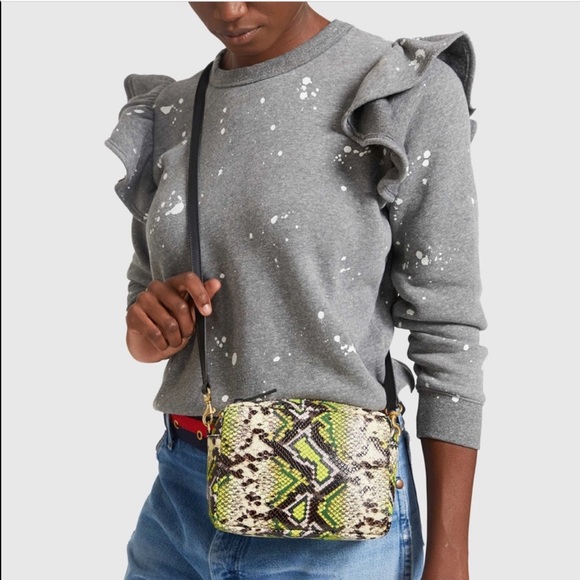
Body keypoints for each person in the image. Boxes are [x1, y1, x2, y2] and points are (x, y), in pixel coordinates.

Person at [106, 3, 487, 579]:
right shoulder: (175, 110)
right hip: (179, 505)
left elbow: (447, 329)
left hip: (334, 511)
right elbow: (143, 303)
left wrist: (450, 555)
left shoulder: (398, 88)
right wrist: (149, 326)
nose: (229, 9)